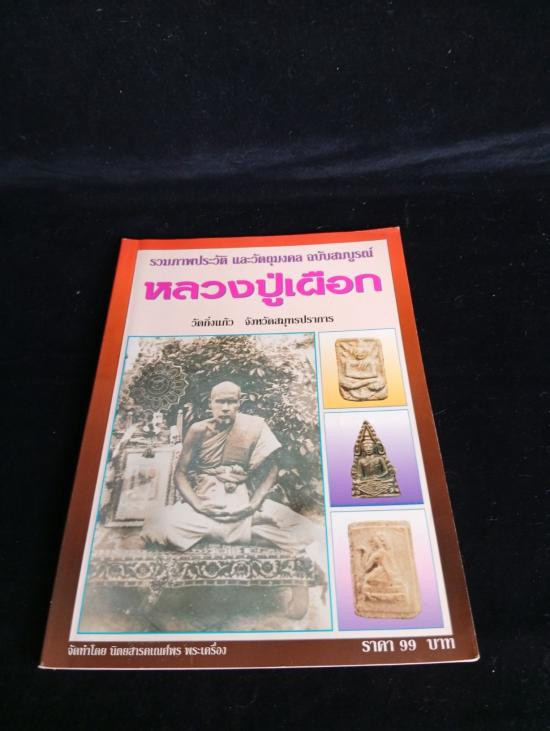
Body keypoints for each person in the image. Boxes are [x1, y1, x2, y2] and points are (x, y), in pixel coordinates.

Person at [141, 381, 324, 565]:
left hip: (242, 504)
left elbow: (272, 468)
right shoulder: (198, 430)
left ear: (239, 403)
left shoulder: (253, 426)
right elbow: (180, 473)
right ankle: (246, 532)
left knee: (304, 528)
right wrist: (199, 506)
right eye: (220, 402)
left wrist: (254, 504)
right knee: (157, 525)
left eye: (231, 402)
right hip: (208, 501)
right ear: (211, 403)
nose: (225, 408)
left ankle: (221, 533)